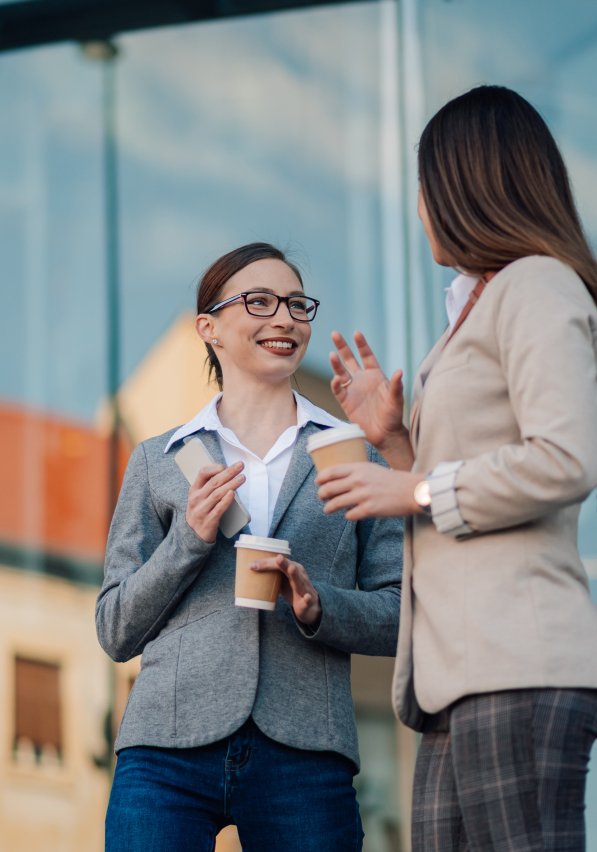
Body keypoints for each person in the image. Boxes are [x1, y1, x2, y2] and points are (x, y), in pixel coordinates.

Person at [317, 86, 597, 852]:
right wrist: (395, 439)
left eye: (427, 182)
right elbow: (458, 482)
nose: (418, 206)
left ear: (470, 182)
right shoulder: (482, 305)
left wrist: (410, 485)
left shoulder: (536, 286)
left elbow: (565, 457)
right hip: (460, 675)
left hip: (517, 662)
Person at [97, 242, 404, 852]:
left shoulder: (355, 452)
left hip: (306, 751)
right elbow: (115, 627)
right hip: (167, 749)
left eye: (296, 304)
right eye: (259, 302)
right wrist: (188, 540)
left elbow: (400, 614)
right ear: (207, 328)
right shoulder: (160, 460)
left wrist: (320, 607)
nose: (284, 318)